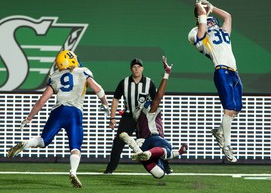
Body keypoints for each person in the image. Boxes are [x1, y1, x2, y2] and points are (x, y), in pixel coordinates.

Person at [7, 50, 110, 188]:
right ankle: (73, 172)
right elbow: (98, 89)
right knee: (75, 147)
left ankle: (26, 143)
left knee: (44, 141)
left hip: (58, 112)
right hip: (74, 113)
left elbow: (42, 100)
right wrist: (105, 103)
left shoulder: (55, 76)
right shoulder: (83, 72)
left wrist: (28, 118)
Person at [188, 0, 243, 162]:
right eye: (208, 20)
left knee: (235, 110)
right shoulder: (197, 33)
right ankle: (226, 145)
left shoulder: (222, 32)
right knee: (228, 109)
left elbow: (228, 17)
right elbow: (202, 27)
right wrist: (201, 10)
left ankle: (219, 131)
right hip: (221, 70)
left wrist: (212, 7)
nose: (212, 23)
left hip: (234, 72)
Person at [119, 56, 187, 179]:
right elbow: (158, 98)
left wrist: (181, 151)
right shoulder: (149, 108)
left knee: (159, 173)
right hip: (153, 138)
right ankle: (142, 150)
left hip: (142, 142)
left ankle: (136, 147)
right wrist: (166, 74)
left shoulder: (136, 112)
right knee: (167, 149)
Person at [104, 58, 173, 174]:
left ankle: (165, 166)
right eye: (134, 67)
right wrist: (112, 118)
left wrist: (154, 117)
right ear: (131, 69)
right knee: (118, 141)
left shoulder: (149, 83)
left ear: (142, 68)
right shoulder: (124, 82)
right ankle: (110, 168)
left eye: (139, 67)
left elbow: (156, 99)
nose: (136, 69)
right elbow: (116, 99)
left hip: (144, 117)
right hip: (129, 116)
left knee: (155, 141)